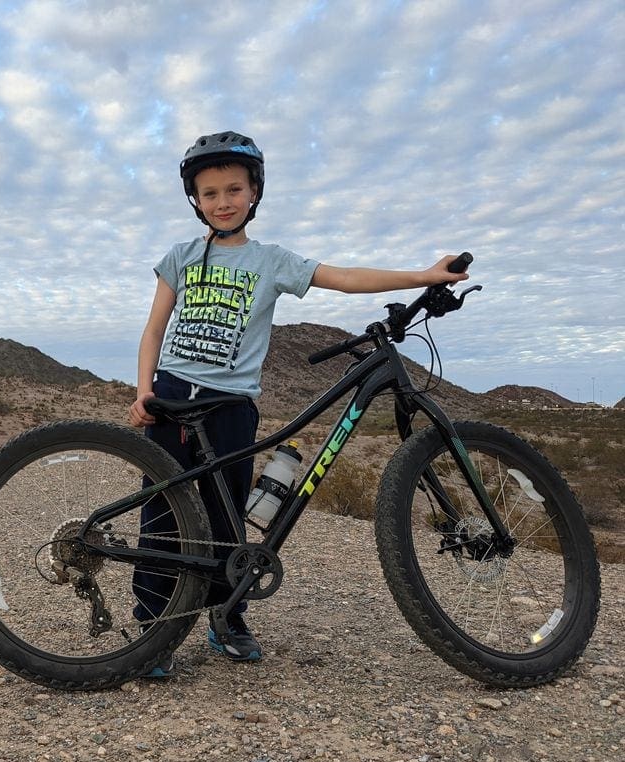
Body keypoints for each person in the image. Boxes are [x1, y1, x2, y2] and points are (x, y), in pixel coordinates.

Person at [127, 130, 467, 675]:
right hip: (170, 396)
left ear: (254, 193)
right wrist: (144, 389)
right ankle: (151, 633)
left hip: (231, 403)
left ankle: (226, 617)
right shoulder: (180, 256)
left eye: (234, 189)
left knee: (225, 520)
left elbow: (343, 277)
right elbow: (153, 329)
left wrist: (424, 275)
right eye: (210, 192)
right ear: (195, 199)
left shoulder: (271, 260)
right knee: (162, 517)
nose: (222, 201)